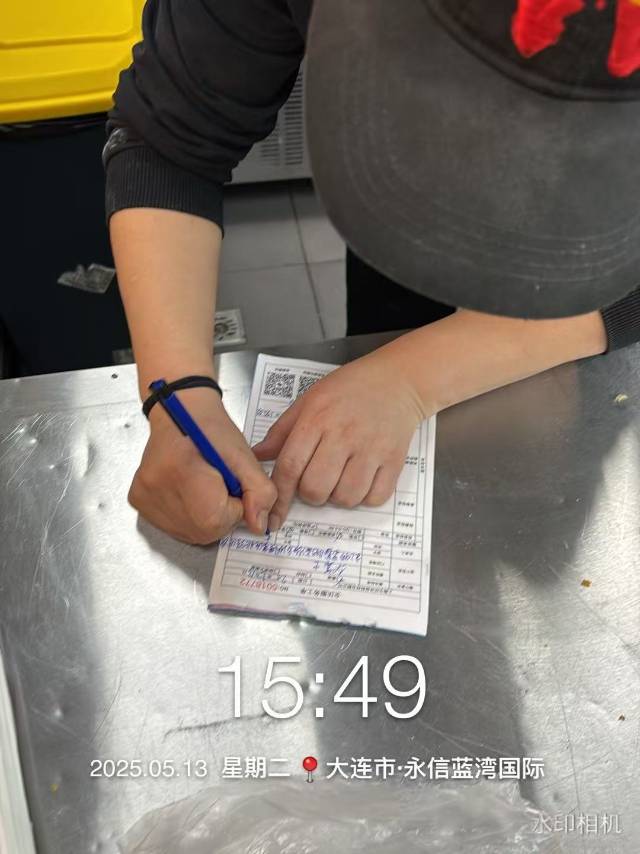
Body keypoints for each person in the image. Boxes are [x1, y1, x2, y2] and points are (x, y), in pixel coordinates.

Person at [104, 0, 640, 544]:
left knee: (543, 537)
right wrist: (180, 395)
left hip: (596, 315)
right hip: (402, 261)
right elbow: (169, 140)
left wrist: (411, 378)